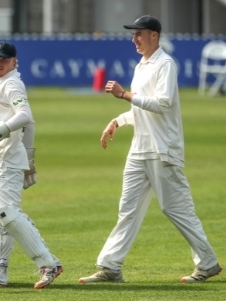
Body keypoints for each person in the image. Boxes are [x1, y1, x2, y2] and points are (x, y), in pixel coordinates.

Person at [78, 15, 222, 284]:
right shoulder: (142, 65)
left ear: (154, 35)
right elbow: (142, 110)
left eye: (139, 34)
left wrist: (125, 94)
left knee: (175, 208)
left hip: (162, 148)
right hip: (140, 149)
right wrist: (118, 120)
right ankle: (110, 267)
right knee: (128, 209)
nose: (134, 39)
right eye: (133, 34)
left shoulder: (165, 64)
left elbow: (163, 104)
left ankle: (208, 263)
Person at [0, 41, 62, 289]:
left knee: (8, 214)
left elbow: (25, 117)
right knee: (1, 217)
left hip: (6, 159)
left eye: (3, 60)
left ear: (14, 62)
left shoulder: (12, 83)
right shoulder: (0, 81)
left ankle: (48, 263)